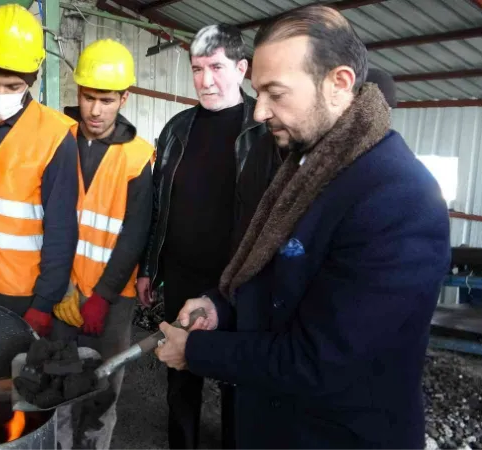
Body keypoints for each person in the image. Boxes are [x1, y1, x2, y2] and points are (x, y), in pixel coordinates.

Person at [155, 5, 451, 450]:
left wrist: (195, 352)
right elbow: (276, 279)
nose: (260, 113)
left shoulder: (398, 200)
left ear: (339, 83)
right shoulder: (306, 165)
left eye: (276, 93)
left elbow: (321, 361)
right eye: (259, 93)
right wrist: (220, 306)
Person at [136, 24, 279, 450]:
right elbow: (158, 206)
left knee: (236, 377)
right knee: (180, 375)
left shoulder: (264, 130)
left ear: (241, 68)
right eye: (197, 69)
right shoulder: (178, 128)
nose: (205, 80)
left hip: (236, 281)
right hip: (180, 274)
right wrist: (149, 267)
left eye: (216, 67)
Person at [51, 39, 154, 450]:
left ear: (124, 98)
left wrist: (103, 295)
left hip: (110, 300)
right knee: (55, 382)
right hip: (61, 289)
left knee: (102, 386)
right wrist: (56, 287)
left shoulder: (138, 157)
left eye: (106, 100)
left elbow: (135, 233)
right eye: (88, 97)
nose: (95, 110)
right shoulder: (58, 139)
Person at [0, 4, 78, 337]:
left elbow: (61, 230)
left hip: (19, 293)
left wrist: (43, 302)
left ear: (32, 81)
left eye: (12, 87)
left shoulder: (54, 137)